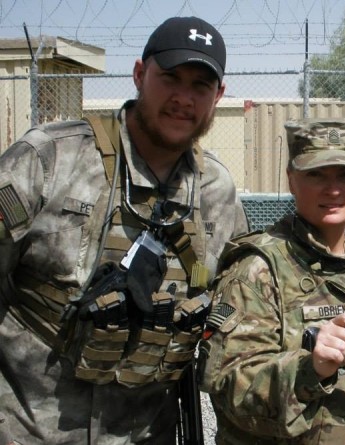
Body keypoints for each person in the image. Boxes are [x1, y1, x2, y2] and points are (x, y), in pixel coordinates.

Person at [0, 16, 247, 444]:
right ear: (138, 74)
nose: (183, 98)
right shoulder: (51, 160)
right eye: (171, 78)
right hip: (29, 430)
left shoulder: (216, 192)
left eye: (200, 86)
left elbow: (233, 315)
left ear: (218, 96)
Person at [198, 118, 345, 444]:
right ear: (292, 181)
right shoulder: (258, 269)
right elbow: (229, 387)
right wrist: (311, 369)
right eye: (316, 174)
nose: (333, 189)